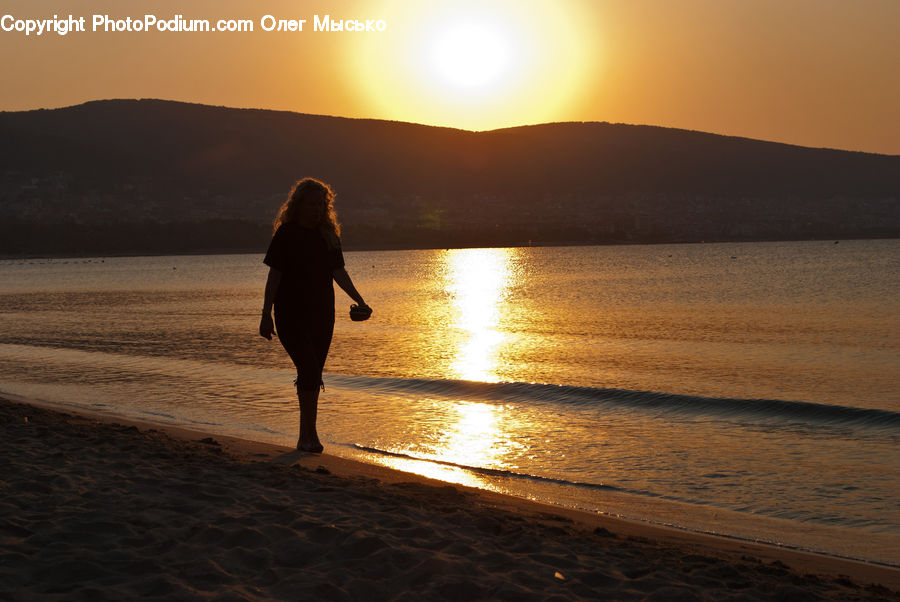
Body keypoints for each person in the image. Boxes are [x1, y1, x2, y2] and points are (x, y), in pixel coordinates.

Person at [259, 178, 371, 453]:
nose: (317, 209)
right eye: (311, 204)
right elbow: (275, 276)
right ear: (298, 205)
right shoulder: (286, 234)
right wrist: (265, 314)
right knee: (308, 368)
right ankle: (307, 435)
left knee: (313, 373)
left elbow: (338, 273)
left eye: (321, 204)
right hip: (290, 314)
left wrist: (360, 301)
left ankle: (307, 434)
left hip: (322, 314)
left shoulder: (328, 236)